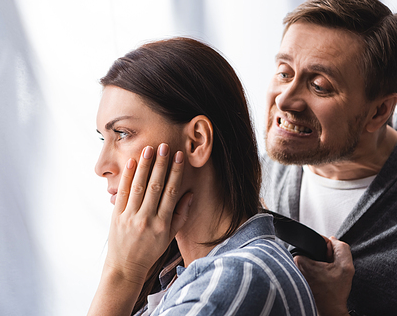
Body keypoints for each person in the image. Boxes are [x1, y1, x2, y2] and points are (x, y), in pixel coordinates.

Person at [87, 37, 316, 316]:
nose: (101, 166)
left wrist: (121, 274)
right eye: (103, 139)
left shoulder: (234, 282)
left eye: (122, 133)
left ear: (196, 141)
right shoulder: (180, 276)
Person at [261, 0, 397, 316]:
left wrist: (332, 307)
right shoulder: (250, 179)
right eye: (284, 72)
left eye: (319, 85)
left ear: (378, 112)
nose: (285, 99)